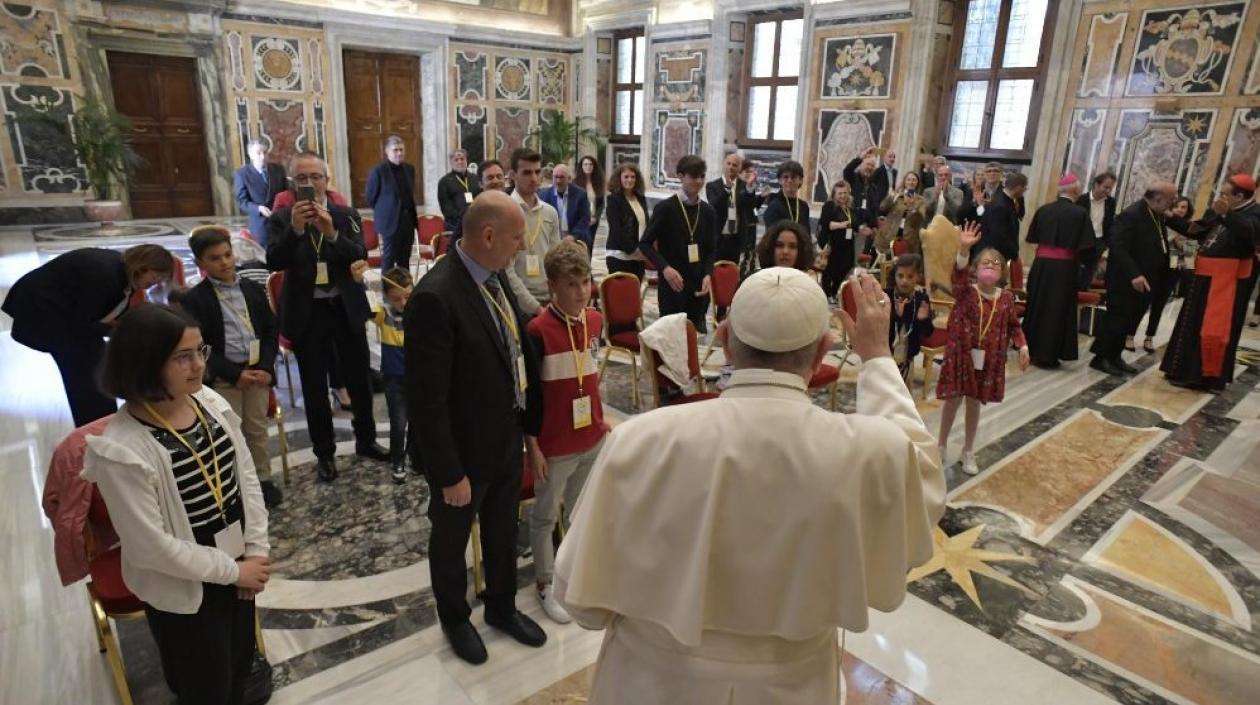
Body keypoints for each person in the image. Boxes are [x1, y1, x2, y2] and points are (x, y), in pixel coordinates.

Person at [553, 267, 945, 704]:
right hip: (791, 686)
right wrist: (876, 358)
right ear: (822, 352)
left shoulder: (640, 439)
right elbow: (923, 475)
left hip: (652, 680)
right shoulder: (866, 452)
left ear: (724, 342)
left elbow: (579, 600)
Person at [82, 304, 270, 705]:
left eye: (200, 350)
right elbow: (151, 547)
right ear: (145, 363)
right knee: (204, 686)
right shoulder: (122, 448)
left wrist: (255, 550)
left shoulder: (208, 401)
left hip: (236, 562)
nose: (198, 365)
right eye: (182, 357)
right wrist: (232, 572)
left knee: (239, 669)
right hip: (186, 584)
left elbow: (246, 478)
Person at [406, 190, 547, 665]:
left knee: (503, 530)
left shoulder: (494, 276)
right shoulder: (435, 297)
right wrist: (448, 474)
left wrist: (527, 434)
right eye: (515, 238)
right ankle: (455, 618)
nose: (520, 247)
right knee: (450, 542)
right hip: (462, 453)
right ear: (488, 235)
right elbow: (426, 402)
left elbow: (510, 350)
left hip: (504, 437)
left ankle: (501, 607)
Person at [266, 151, 388, 482]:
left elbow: (360, 253)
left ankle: (366, 439)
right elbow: (274, 261)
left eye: (315, 177)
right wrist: (295, 230)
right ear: (292, 183)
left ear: (326, 180)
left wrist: (331, 232)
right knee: (315, 385)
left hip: (344, 306)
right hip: (308, 312)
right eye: (301, 179)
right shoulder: (281, 218)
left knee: (359, 378)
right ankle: (325, 453)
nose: (309, 184)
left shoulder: (344, 214)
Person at [524, 240, 608, 625]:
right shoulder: (538, 330)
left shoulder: (593, 320)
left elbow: (589, 376)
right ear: (553, 286)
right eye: (572, 285)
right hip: (554, 442)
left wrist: (598, 418)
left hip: (590, 436)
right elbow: (529, 396)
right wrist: (533, 446)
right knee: (544, 515)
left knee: (578, 509)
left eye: (586, 283)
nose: (581, 292)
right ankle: (544, 582)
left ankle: (571, 569)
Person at [3, 244, 173, 426]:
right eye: (157, 275)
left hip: (62, 314)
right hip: (44, 312)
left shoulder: (121, 270)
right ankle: (95, 428)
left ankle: (103, 423)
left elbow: (105, 312)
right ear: (143, 266)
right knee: (84, 375)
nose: (156, 282)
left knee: (97, 367)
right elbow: (81, 324)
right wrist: (118, 329)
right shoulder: (106, 277)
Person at [181, 225, 283, 508]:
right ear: (200, 263)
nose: (225, 262)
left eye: (227, 254)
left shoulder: (251, 288)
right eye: (215, 258)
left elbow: (270, 330)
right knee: (228, 433)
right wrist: (234, 373)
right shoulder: (196, 299)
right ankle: (235, 482)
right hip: (227, 378)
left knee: (257, 430)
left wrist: (265, 366)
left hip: (258, 372)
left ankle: (262, 479)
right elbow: (202, 347)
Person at [936, 222, 1030, 475]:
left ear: (1002, 272)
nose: (990, 266)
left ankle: (968, 450)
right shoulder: (966, 291)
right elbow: (957, 277)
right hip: (961, 355)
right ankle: (941, 445)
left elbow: (1013, 326)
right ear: (975, 270)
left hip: (987, 359)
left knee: (974, 403)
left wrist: (1023, 346)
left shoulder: (1007, 297)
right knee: (952, 400)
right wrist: (964, 251)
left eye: (995, 263)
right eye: (984, 263)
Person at [1161, 174, 1260, 390]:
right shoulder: (1221, 209)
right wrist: (1169, 216)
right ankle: (1180, 370)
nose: (1220, 198)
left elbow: (1248, 233)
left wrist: (1227, 214)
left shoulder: (1254, 214)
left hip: (1226, 283)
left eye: (1225, 194)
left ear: (1240, 196)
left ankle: (1203, 377)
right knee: (1191, 324)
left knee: (1211, 329)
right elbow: (1196, 230)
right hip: (1204, 278)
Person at [1089, 181, 1188, 376]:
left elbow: (1184, 229)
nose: (1174, 202)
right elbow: (1118, 247)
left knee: (1130, 320)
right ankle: (1100, 358)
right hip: (1127, 279)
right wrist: (1135, 274)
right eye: (1172, 199)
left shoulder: (1157, 213)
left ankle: (1115, 356)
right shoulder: (1131, 214)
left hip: (1148, 278)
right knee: (1117, 319)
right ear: (1158, 198)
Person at [1022, 174, 1096, 369]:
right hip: (1063, 269)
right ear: (1076, 191)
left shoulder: (1044, 210)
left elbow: (1032, 237)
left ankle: (1028, 349)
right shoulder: (1079, 213)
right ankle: (1047, 356)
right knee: (1056, 309)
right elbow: (1088, 247)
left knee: (1037, 304)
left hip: (1041, 266)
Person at [639, 155, 716, 332]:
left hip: (697, 287)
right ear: (680, 176)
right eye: (693, 176)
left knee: (692, 339)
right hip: (672, 285)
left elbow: (711, 249)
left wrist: (708, 274)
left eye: (702, 176)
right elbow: (645, 244)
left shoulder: (707, 211)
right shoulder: (666, 208)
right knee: (671, 340)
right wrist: (665, 268)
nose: (698, 181)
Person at [1133, 195, 1194, 352]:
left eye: (1184, 207)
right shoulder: (1160, 222)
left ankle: (1149, 337)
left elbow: (1188, 259)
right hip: (1153, 268)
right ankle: (1129, 335)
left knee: (1159, 305)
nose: (1180, 210)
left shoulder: (1189, 228)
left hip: (1172, 270)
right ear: (1171, 208)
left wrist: (1179, 243)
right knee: (1142, 302)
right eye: (1177, 206)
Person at [506, 149, 562, 315]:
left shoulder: (550, 212)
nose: (534, 178)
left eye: (537, 172)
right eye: (527, 173)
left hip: (549, 298)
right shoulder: (506, 211)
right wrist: (535, 308)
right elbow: (506, 269)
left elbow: (556, 259)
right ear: (513, 175)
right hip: (517, 302)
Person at [374, 267, 413, 483]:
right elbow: (365, 306)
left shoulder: (418, 312)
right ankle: (397, 460)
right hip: (394, 379)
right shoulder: (384, 313)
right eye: (397, 299)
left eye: (408, 296)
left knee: (419, 421)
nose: (403, 304)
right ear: (387, 297)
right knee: (398, 422)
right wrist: (359, 282)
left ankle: (417, 457)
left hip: (417, 378)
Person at [365, 136, 419, 271]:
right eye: (395, 150)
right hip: (390, 222)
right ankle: (387, 292)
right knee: (388, 259)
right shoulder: (378, 171)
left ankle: (404, 291)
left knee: (404, 259)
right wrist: (386, 210)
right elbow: (370, 198)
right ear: (387, 151)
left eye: (401, 150)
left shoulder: (409, 169)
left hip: (407, 221)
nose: (399, 153)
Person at [888, 254, 934, 380]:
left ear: (918, 276)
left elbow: (927, 332)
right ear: (895, 275)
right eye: (900, 276)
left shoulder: (921, 299)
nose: (904, 281)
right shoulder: (886, 295)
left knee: (903, 390)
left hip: (907, 354)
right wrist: (898, 315)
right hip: (885, 353)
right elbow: (878, 328)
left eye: (910, 276)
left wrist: (923, 319)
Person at [233, 139, 287, 246]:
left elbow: (285, 193)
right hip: (260, 225)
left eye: (265, 152)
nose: (262, 157)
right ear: (250, 155)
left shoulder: (278, 169)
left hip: (280, 221)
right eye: (258, 153)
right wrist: (258, 208)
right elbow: (242, 201)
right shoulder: (242, 174)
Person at [604, 163, 649, 280]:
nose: (630, 180)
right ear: (619, 178)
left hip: (639, 256)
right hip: (619, 256)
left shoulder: (640, 198)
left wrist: (644, 249)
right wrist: (633, 250)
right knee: (622, 295)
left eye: (633, 177)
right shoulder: (613, 200)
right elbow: (616, 229)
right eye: (626, 176)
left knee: (635, 294)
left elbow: (646, 224)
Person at [540, 163, 594, 255]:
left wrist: (573, 236)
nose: (558, 181)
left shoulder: (580, 195)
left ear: (569, 179)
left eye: (561, 177)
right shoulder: (544, 195)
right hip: (552, 240)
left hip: (575, 240)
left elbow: (585, 219)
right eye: (555, 177)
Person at [818, 181, 859, 301]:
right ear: (834, 194)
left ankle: (835, 291)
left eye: (845, 193)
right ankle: (827, 293)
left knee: (845, 267)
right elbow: (826, 224)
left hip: (847, 243)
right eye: (840, 193)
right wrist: (842, 225)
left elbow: (854, 223)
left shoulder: (850, 207)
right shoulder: (830, 205)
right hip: (832, 243)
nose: (843, 196)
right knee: (830, 269)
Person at [1076, 172, 1117, 291]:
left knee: (1088, 274)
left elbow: (1109, 224)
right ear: (1096, 185)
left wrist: (1106, 245)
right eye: (1106, 187)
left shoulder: (1110, 202)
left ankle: (1082, 297)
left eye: (1110, 188)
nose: (1108, 191)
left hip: (1099, 242)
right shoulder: (1081, 200)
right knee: (1076, 272)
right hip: (1082, 242)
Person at [707, 153, 747, 265]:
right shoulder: (712, 186)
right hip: (718, 238)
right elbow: (714, 205)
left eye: (734, 165)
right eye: (728, 164)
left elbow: (749, 207)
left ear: (739, 168)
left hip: (736, 239)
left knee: (733, 273)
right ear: (723, 164)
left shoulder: (744, 186)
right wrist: (727, 190)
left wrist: (752, 192)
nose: (730, 167)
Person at [841, 150, 883, 256]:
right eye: (867, 164)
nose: (869, 168)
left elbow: (874, 209)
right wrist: (860, 157)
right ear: (861, 165)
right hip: (850, 227)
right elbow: (847, 170)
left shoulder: (872, 187)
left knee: (858, 260)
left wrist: (874, 227)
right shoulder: (852, 179)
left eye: (872, 166)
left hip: (865, 232)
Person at [735, 159, 771, 277]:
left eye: (751, 172)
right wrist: (748, 188)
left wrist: (761, 197)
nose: (750, 174)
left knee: (750, 253)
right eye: (747, 171)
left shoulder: (749, 186)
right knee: (742, 255)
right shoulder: (737, 186)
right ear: (739, 173)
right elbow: (740, 202)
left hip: (751, 224)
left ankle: (748, 274)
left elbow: (752, 206)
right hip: (742, 226)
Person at [877, 172, 927, 256]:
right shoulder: (897, 196)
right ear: (904, 182)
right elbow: (882, 208)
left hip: (908, 238)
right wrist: (892, 195)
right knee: (886, 263)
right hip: (890, 234)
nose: (911, 182)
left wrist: (912, 205)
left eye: (914, 180)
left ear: (917, 183)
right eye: (909, 180)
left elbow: (923, 215)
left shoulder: (921, 200)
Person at [437, 149, 481, 240]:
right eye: (456, 160)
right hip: (455, 226)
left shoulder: (475, 178)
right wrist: (464, 219)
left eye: (462, 159)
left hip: (476, 222)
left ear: (466, 160)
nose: (460, 162)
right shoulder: (444, 182)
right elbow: (446, 208)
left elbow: (481, 199)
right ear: (451, 162)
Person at [761, 160, 811, 232]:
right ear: (780, 180)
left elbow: (807, 232)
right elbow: (772, 236)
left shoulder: (804, 206)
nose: (789, 180)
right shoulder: (774, 205)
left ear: (800, 180)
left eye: (793, 177)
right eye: (785, 177)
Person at [575, 155, 606, 237]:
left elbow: (601, 203)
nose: (588, 167)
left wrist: (595, 217)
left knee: (591, 243)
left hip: (593, 220)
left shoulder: (599, 183)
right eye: (585, 164)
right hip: (580, 220)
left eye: (590, 164)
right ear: (581, 167)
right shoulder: (575, 183)